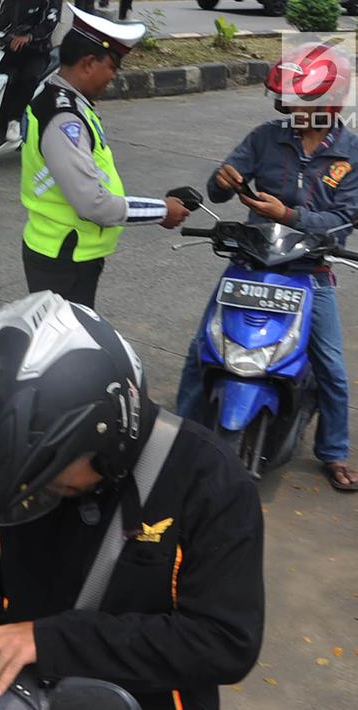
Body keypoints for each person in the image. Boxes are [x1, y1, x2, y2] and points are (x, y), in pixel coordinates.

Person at [0, 291, 264, 710]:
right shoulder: (17, 466)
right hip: (25, 694)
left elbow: (224, 642)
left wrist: (50, 641)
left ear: (107, 438)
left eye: (50, 482)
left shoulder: (208, 480)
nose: (33, 497)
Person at [176, 42, 358, 490]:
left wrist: (289, 216)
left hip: (310, 271)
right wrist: (220, 180)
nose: (294, 112)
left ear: (330, 104)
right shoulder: (264, 137)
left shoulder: (351, 153)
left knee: (331, 365)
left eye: (304, 103)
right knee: (204, 349)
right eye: (290, 103)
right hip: (252, 261)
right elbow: (220, 187)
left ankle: (334, 451)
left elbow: (344, 219)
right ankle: (178, 437)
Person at [20, 5, 190, 308]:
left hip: (66, 251)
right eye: (113, 66)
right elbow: (92, 203)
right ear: (88, 63)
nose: (113, 76)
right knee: (66, 348)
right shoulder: (65, 118)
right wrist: (161, 211)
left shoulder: (58, 94)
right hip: (65, 258)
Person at [0, 0, 62, 143]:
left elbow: (49, 24)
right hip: (12, 50)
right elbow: (0, 22)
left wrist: (29, 37)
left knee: (27, 78)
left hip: (37, 52)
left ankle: (15, 121)